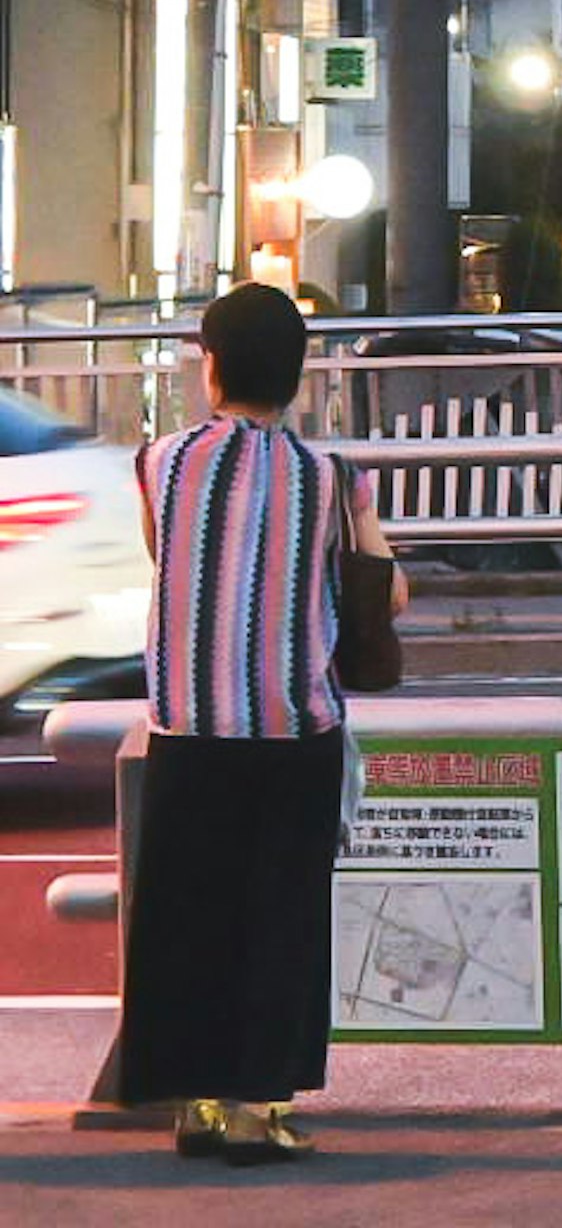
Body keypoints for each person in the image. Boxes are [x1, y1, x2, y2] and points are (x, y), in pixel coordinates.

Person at [117, 283, 401, 1165]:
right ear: (298, 376)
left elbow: (167, 558)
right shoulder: (327, 477)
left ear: (211, 366)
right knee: (278, 917)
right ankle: (258, 1109)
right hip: (291, 730)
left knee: (185, 915)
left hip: (188, 729)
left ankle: (192, 1101)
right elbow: (385, 592)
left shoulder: (159, 461)